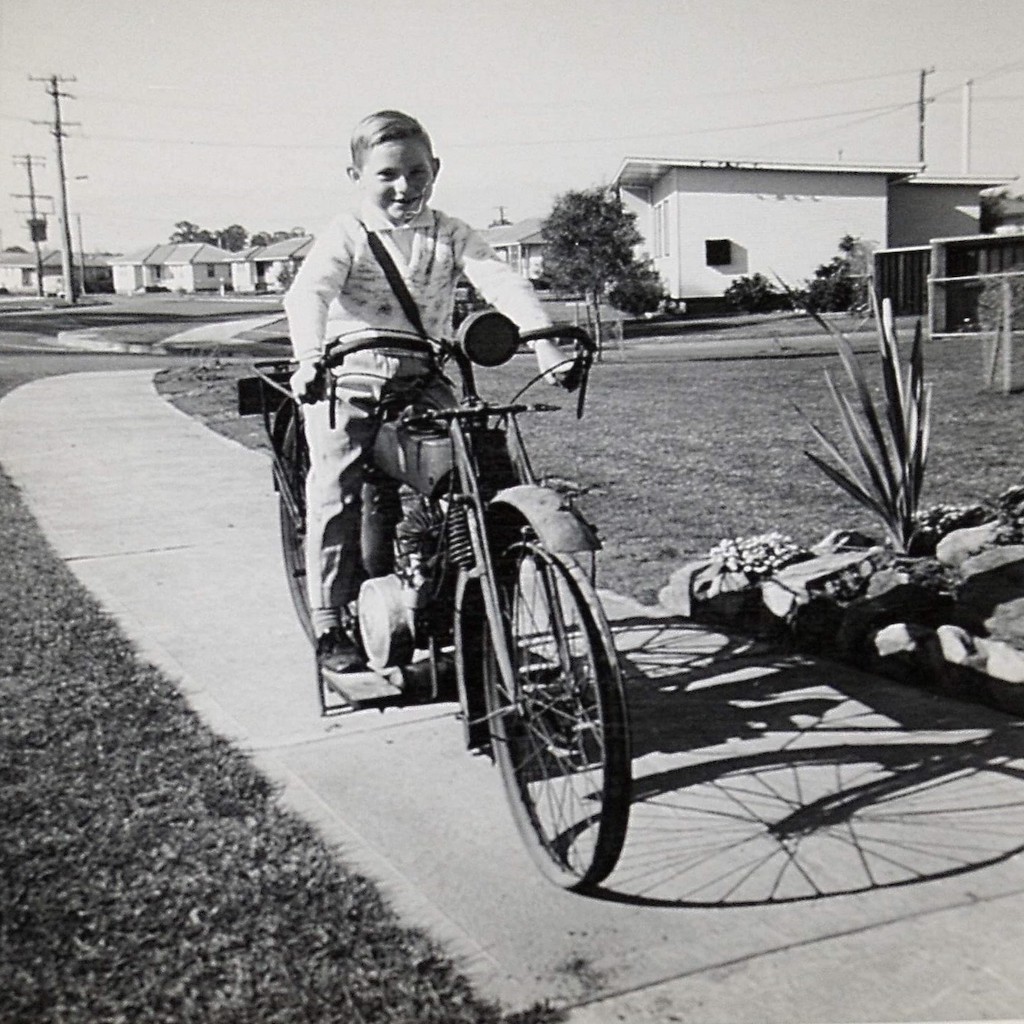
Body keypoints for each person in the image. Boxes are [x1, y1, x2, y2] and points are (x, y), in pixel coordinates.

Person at [284, 109, 568, 673]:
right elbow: (308, 294)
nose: (404, 186)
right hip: (349, 375)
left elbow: (501, 279)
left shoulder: (452, 232)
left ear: (435, 169)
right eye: (387, 174)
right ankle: (330, 617)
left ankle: (467, 592)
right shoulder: (348, 233)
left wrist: (543, 341)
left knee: (475, 469)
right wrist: (309, 359)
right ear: (357, 176)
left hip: (425, 375)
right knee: (335, 483)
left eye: (416, 172)